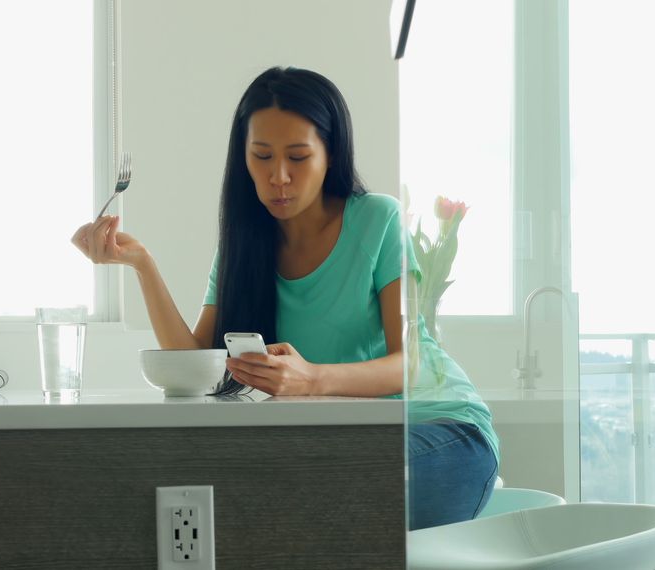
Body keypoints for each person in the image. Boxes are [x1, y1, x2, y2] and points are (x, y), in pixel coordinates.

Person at [71, 66, 498, 530]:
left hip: (446, 434)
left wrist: (311, 379)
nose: (278, 177)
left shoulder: (377, 220)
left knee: (295, 491)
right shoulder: (244, 248)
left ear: (330, 155)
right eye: (261, 156)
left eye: (297, 157)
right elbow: (195, 363)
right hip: (343, 441)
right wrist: (142, 265)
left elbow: (408, 365)